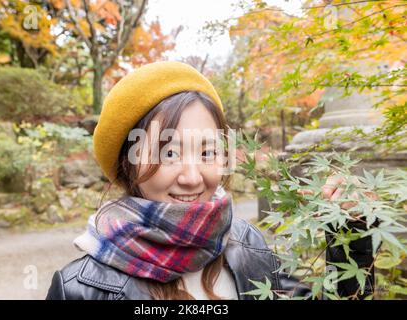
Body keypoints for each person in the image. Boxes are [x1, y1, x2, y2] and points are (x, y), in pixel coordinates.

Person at [46, 61, 375, 300]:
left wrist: (350, 235)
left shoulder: (246, 245)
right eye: (169, 154)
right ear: (127, 163)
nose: (192, 178)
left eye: (207, 153)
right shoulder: (81, 288)